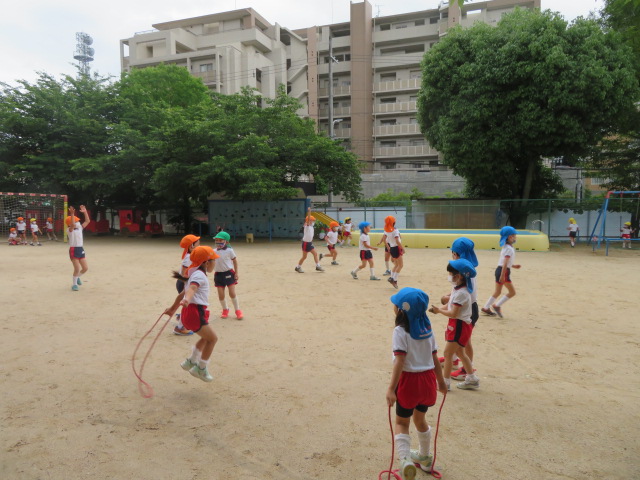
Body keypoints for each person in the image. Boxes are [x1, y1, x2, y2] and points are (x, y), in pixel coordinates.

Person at [386, 287, 447, 478]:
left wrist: (391, 388)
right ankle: (425, 457)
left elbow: (400, 361)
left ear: (402, 310)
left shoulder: (400, 331)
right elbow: (436, 359)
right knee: (420, 420)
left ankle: (405, 461)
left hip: (409, 382)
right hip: (428, 382)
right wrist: (441, 381)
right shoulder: (428, 330)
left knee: (402, 422)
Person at [167, 246, 220, 382]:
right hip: (195, 312)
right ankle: (201, 369)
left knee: (205, 338)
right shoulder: (199, 276)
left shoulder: (193, 272)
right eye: (214, 260)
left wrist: (173, 308)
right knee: (212, 339)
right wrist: (187, 299)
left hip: (189, 312)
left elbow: (183, 293)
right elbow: (192, 288)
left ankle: (190, 361)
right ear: (206, 263)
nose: (215, 263)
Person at [429, 258, 480, 391]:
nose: (450, 276)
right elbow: (450, 305)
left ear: (459, 276)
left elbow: (453, 313)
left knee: (448, 354)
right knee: (460, 353)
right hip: (458, 325)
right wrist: (439, 308)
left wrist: (439, 311)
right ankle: (472, 378)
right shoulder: (458, 289)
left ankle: (445, 383)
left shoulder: (462, 293)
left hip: (459, 325)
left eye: (451, 274)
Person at [447, 238, 479, 381]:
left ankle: (467, 369)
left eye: (453, 253)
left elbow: (466, 295)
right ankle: (453, 357)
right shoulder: (464, 266)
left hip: (467, 309)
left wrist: (449, 300)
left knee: (465, 341)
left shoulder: (465, 270)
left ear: (457, 253)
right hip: (464, 306)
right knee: (456, 337)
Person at [481, 226, 520, 318]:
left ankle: (486, 307)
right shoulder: (509, 248)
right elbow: (505, 262)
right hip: (504, 271)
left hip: (500, 270)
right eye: (514, 236)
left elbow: (504, 261)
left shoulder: (506, 247)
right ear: (510, 237)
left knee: (497, 291)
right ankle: (497, 305)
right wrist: (503, 275)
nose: (515, 237)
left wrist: (513, 265)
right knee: (512, 292)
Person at [169, 234, 201, 335]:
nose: (199, 246)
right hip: (184, 283)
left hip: (186, 283)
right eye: (198, 244)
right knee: (188, 304)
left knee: (188, 304)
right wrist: (188, 284)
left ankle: (182, 318)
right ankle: (181, 327)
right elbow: (184, 273)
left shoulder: (192, 255)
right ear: (192, 246)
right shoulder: (189, 257)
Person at [213, 231, 243, 320]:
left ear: (226, 242)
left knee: (232, 293)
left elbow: (235, 261)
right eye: (216, 240)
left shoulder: (230, 251)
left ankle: (238, 310)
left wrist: (236, 273)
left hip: (229, 273)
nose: (218, 242)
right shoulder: (213, 251)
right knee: (221, 295)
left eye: (220, 240)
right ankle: (225, 309)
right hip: (218, 275)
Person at [67, 205, 91, 291]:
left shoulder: (80, 228)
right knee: (77, 268)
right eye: (77, 221)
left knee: (85, 268)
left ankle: (77, 278)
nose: (78, 222)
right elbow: (73, 224)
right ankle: (74, 284)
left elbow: (87, 221)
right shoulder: (70, 230)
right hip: (73, 249)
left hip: (80, 249)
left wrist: (85, 212)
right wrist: (72, 214)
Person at [295, 207, 324, 273]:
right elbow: (307, 219)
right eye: (312, 220)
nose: (313, 221)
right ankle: (298, 267)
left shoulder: (311, 227)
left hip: (309, 243)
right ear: (309, 221)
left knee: (315, 254)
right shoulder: (307, 226)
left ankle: (318, 266)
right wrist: (309, 212)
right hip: (305, 243)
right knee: (304, 257)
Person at [384, 215, 404, 289]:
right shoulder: (395, 230)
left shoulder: (386, 230)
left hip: (392, 248)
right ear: (393, 222)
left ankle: (392, 277)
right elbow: (397, 241)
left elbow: (385, 239)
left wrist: (388, 247)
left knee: (396, 265)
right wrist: (402, 248)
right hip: (397, 248)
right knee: (400, 265)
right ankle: (394, 280)